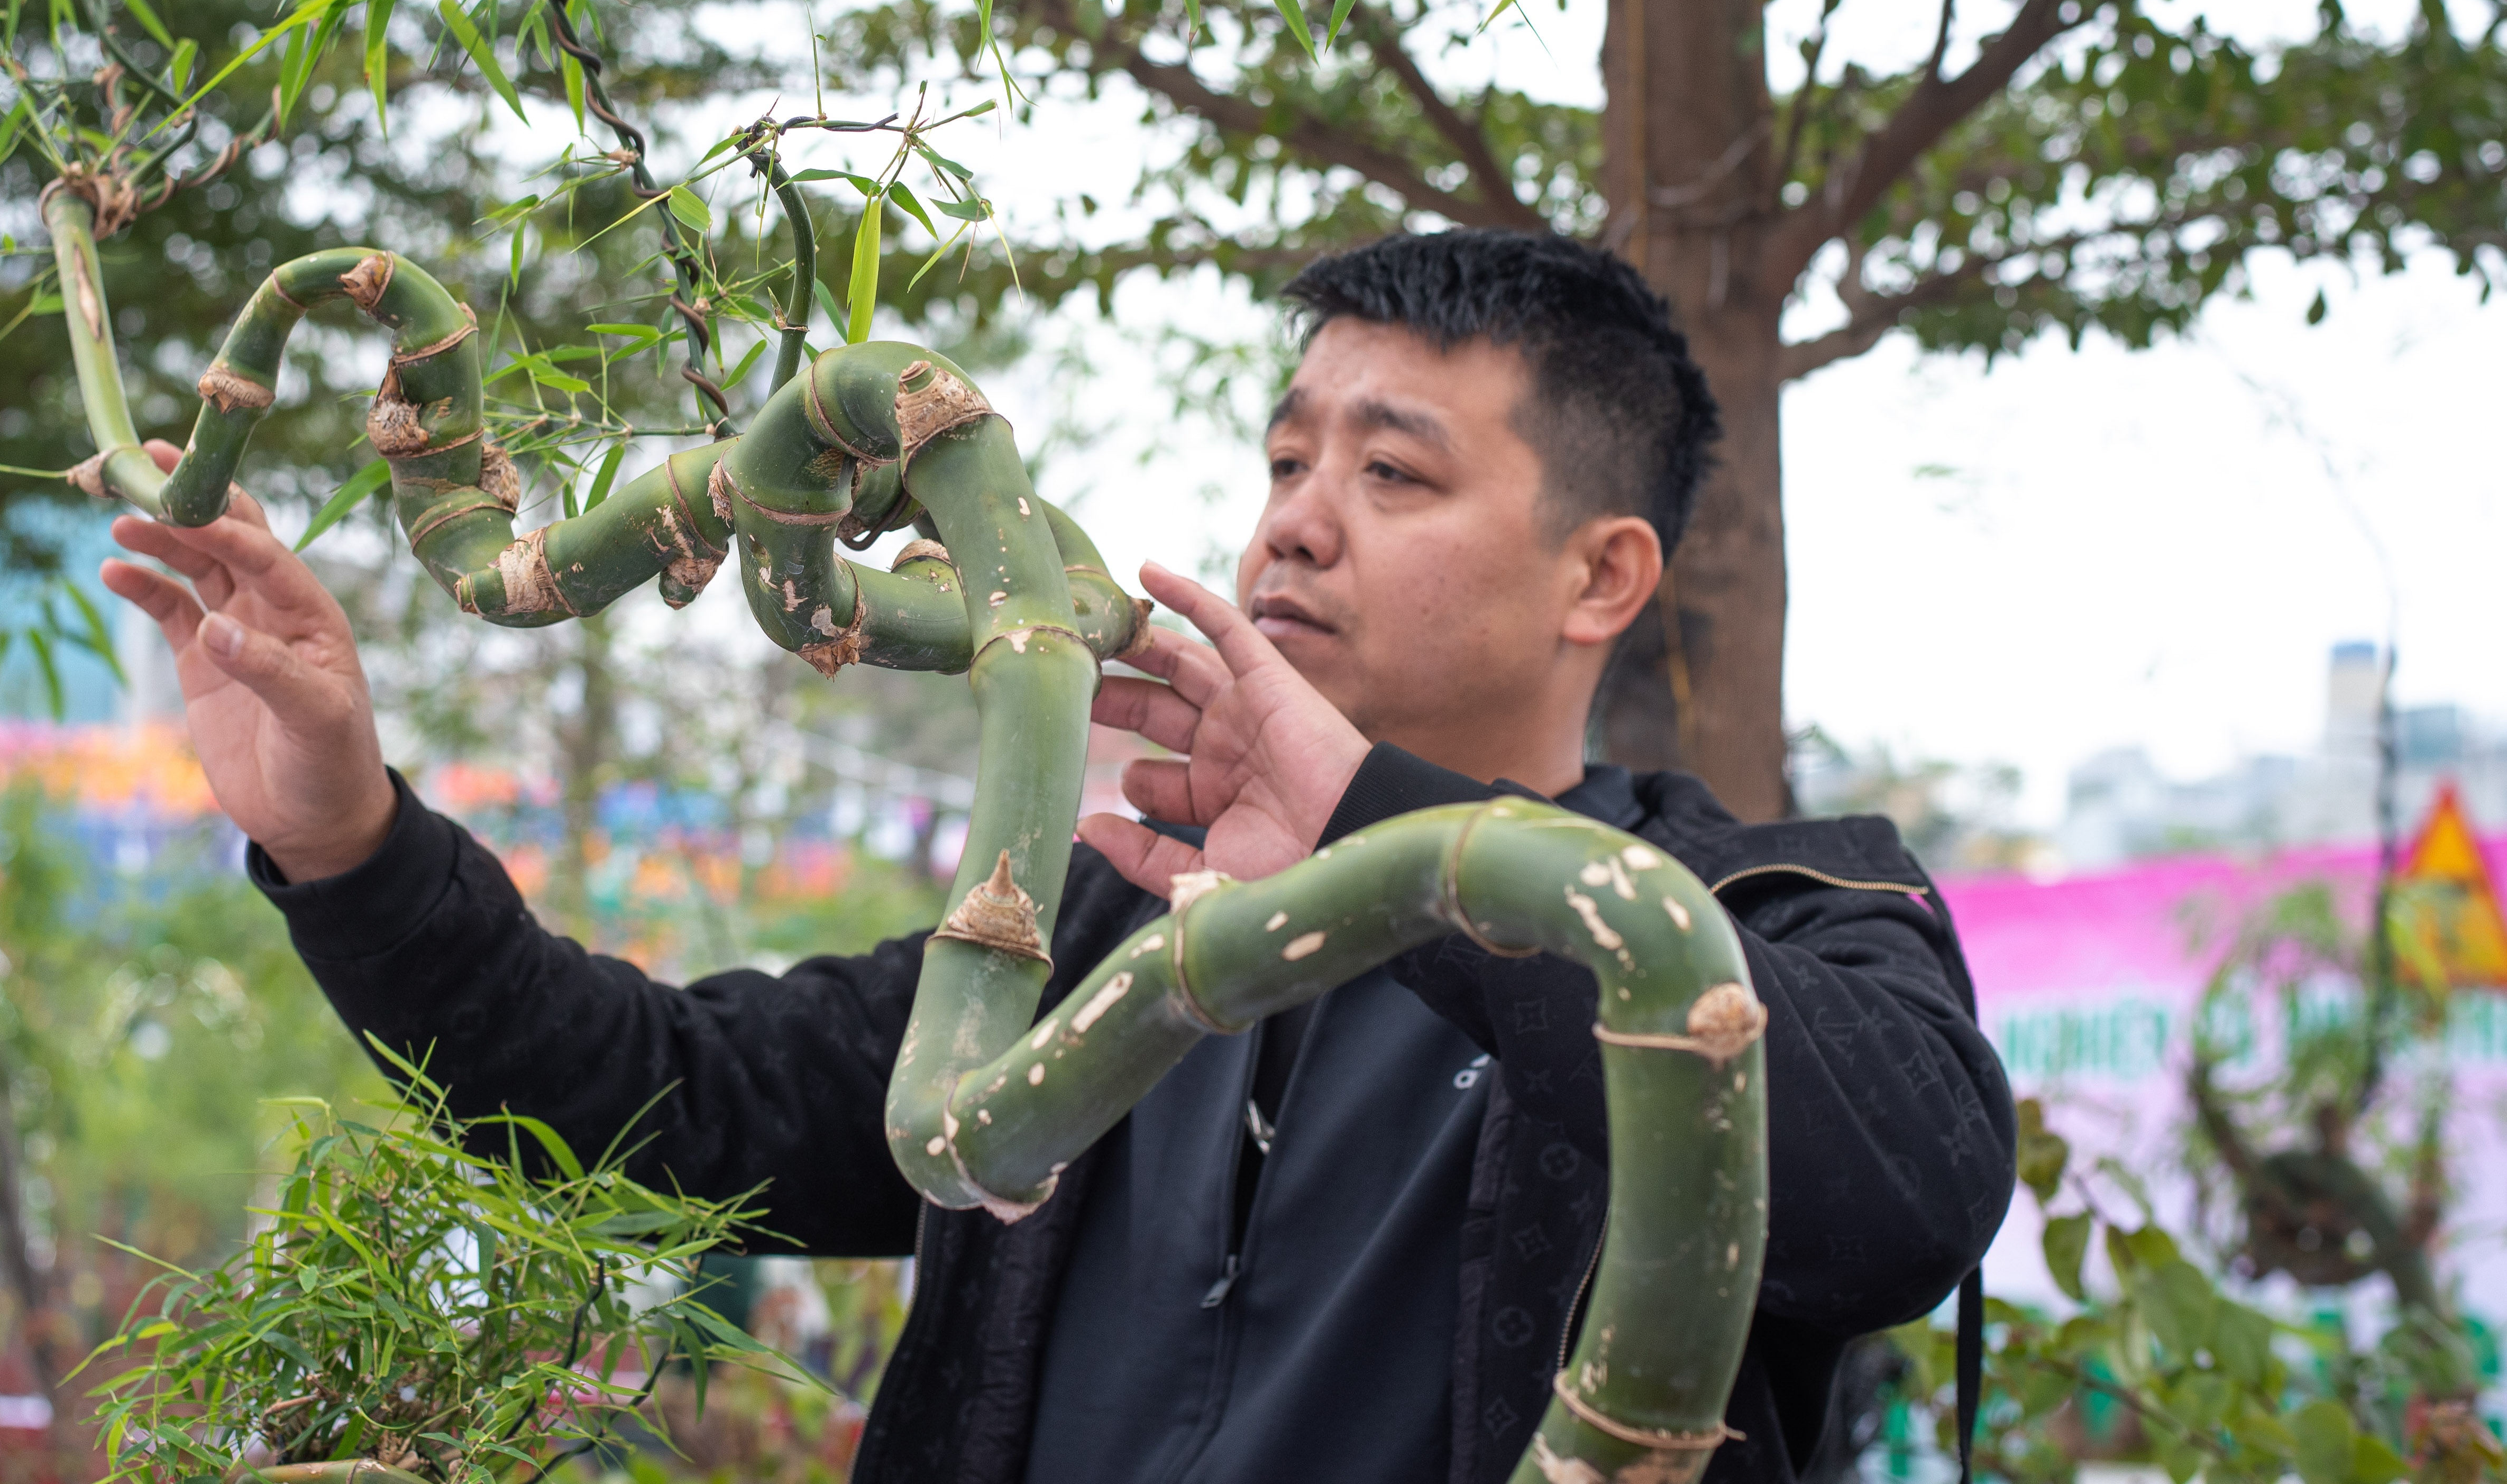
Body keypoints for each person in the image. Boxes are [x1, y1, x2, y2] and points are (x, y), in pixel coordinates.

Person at [100, 228, 2013, 1484]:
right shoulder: (1104, 926)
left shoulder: (1775, 912)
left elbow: (1901, 1194)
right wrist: (346, 831)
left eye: (1393, 471)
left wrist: (1369, 829)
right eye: (1284, 460)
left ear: (1603, 574)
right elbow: (666, 1109)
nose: (1297, 526)